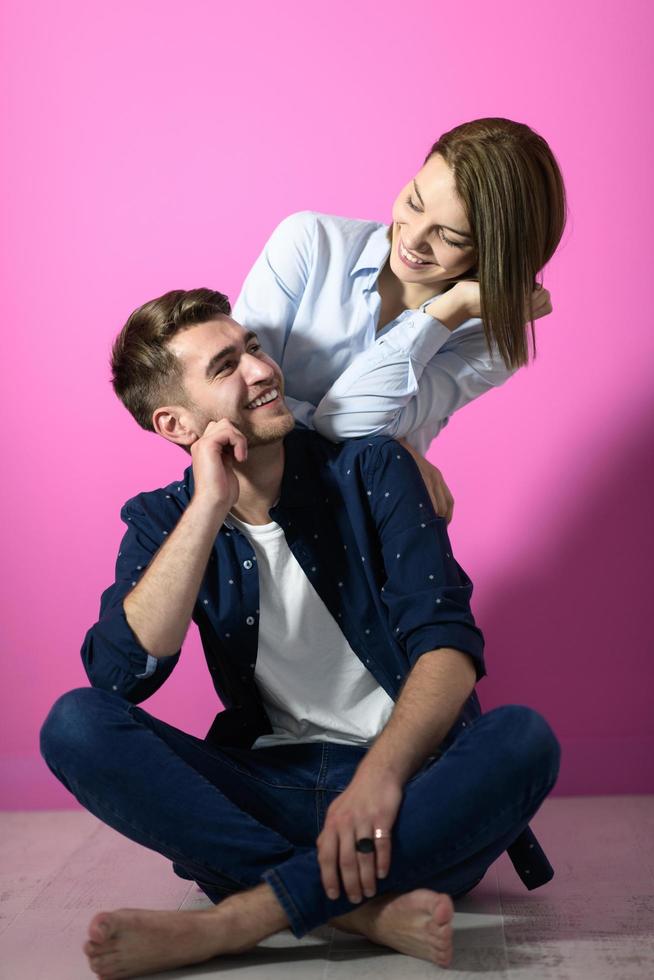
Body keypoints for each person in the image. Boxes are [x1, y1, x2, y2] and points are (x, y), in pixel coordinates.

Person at [40, 289, 560, 979]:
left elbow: (448, 649)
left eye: (253, 347)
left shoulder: (370, 469)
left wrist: (379, 778)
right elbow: (118, 675)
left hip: (403, 797)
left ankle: (241, 917)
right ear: (175, 422)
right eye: (226, 366)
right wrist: (208, 508)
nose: (261, 370)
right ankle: (358, 910)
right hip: (269, 790)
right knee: (75, 723)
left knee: (522, 740)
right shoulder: (162, 520)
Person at [233, 116, 565, 466]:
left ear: (496, 255)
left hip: (365, 513)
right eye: (415, 203)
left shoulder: (492, 342)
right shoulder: (311, 242)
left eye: (450, 237)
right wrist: (393, 447)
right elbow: (234, 394)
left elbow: (343, 423)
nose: (414, 238)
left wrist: (446, 313)